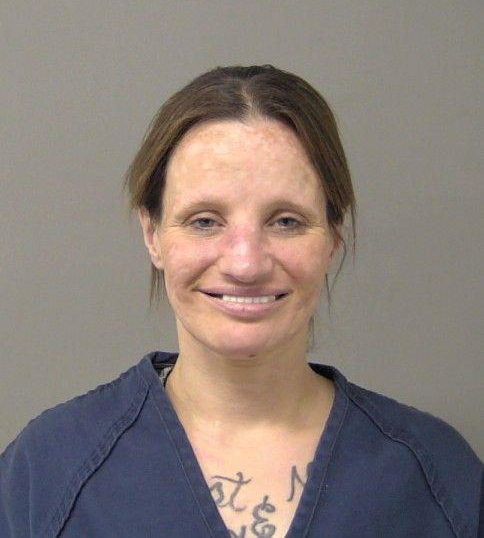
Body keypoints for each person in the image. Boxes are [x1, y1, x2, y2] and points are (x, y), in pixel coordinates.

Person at [0, 65, 481, 538]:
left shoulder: (439, 476)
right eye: (205, 221)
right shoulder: (47, 471)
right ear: (152, 234)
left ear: (334, 236)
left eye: (286, 221)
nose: (246, 264)